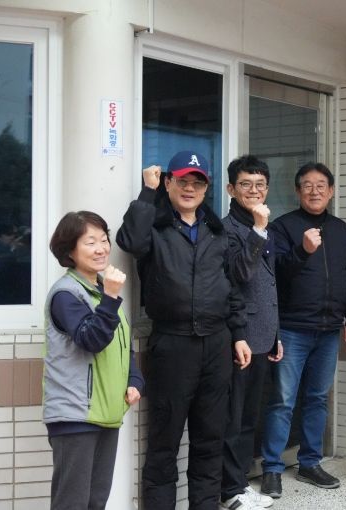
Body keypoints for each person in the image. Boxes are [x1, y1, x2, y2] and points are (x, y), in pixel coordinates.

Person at [116, 151, 249, 510]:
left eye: (197, 183)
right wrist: (148, 192)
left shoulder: (217, 231)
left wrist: (238, 334)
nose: (190, 189)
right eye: (182, 181)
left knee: (210, 440)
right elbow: (130, 242)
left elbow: (232, 288)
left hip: (216, 343)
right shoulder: (155, 226)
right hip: (173, 344)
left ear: (206, 188)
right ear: (168, 183)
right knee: (165, 442)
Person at [259, 162, 346, 499]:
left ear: (331, 191)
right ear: (297, 191)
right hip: (292, 329)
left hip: (329, 330)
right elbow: (274, 273)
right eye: (307, 185)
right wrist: (302, 251)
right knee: (283, 401)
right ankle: (272, 467)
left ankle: (309, 463)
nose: (314, 191)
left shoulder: (341, 230)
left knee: (318, 399)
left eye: (321, 185)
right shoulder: (282, 227)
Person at [44, 211, 143, 510]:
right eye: (90, 242)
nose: (101, 249)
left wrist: (134, 379)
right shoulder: (66, 294)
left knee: (95, 501)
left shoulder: (102, 290)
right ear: (70, 250)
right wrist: (110, 299)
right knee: (72, 503)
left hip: (106, 412)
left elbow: (122, 345)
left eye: (103, 240)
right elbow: (91, 339)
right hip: (75, 414)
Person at [220, 155, 283, 510]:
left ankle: (240, 483)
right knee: (233, 418)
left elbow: (269, 286)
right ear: (231, 189)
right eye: (246, 184)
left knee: (248, 418)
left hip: (262, 335)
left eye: (260, 185)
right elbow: (239, 276)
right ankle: (231, 489)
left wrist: (276, 334)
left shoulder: (264, 227)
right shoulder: (227, 229)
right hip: (239, 338)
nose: (254, 191)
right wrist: (258, 229)